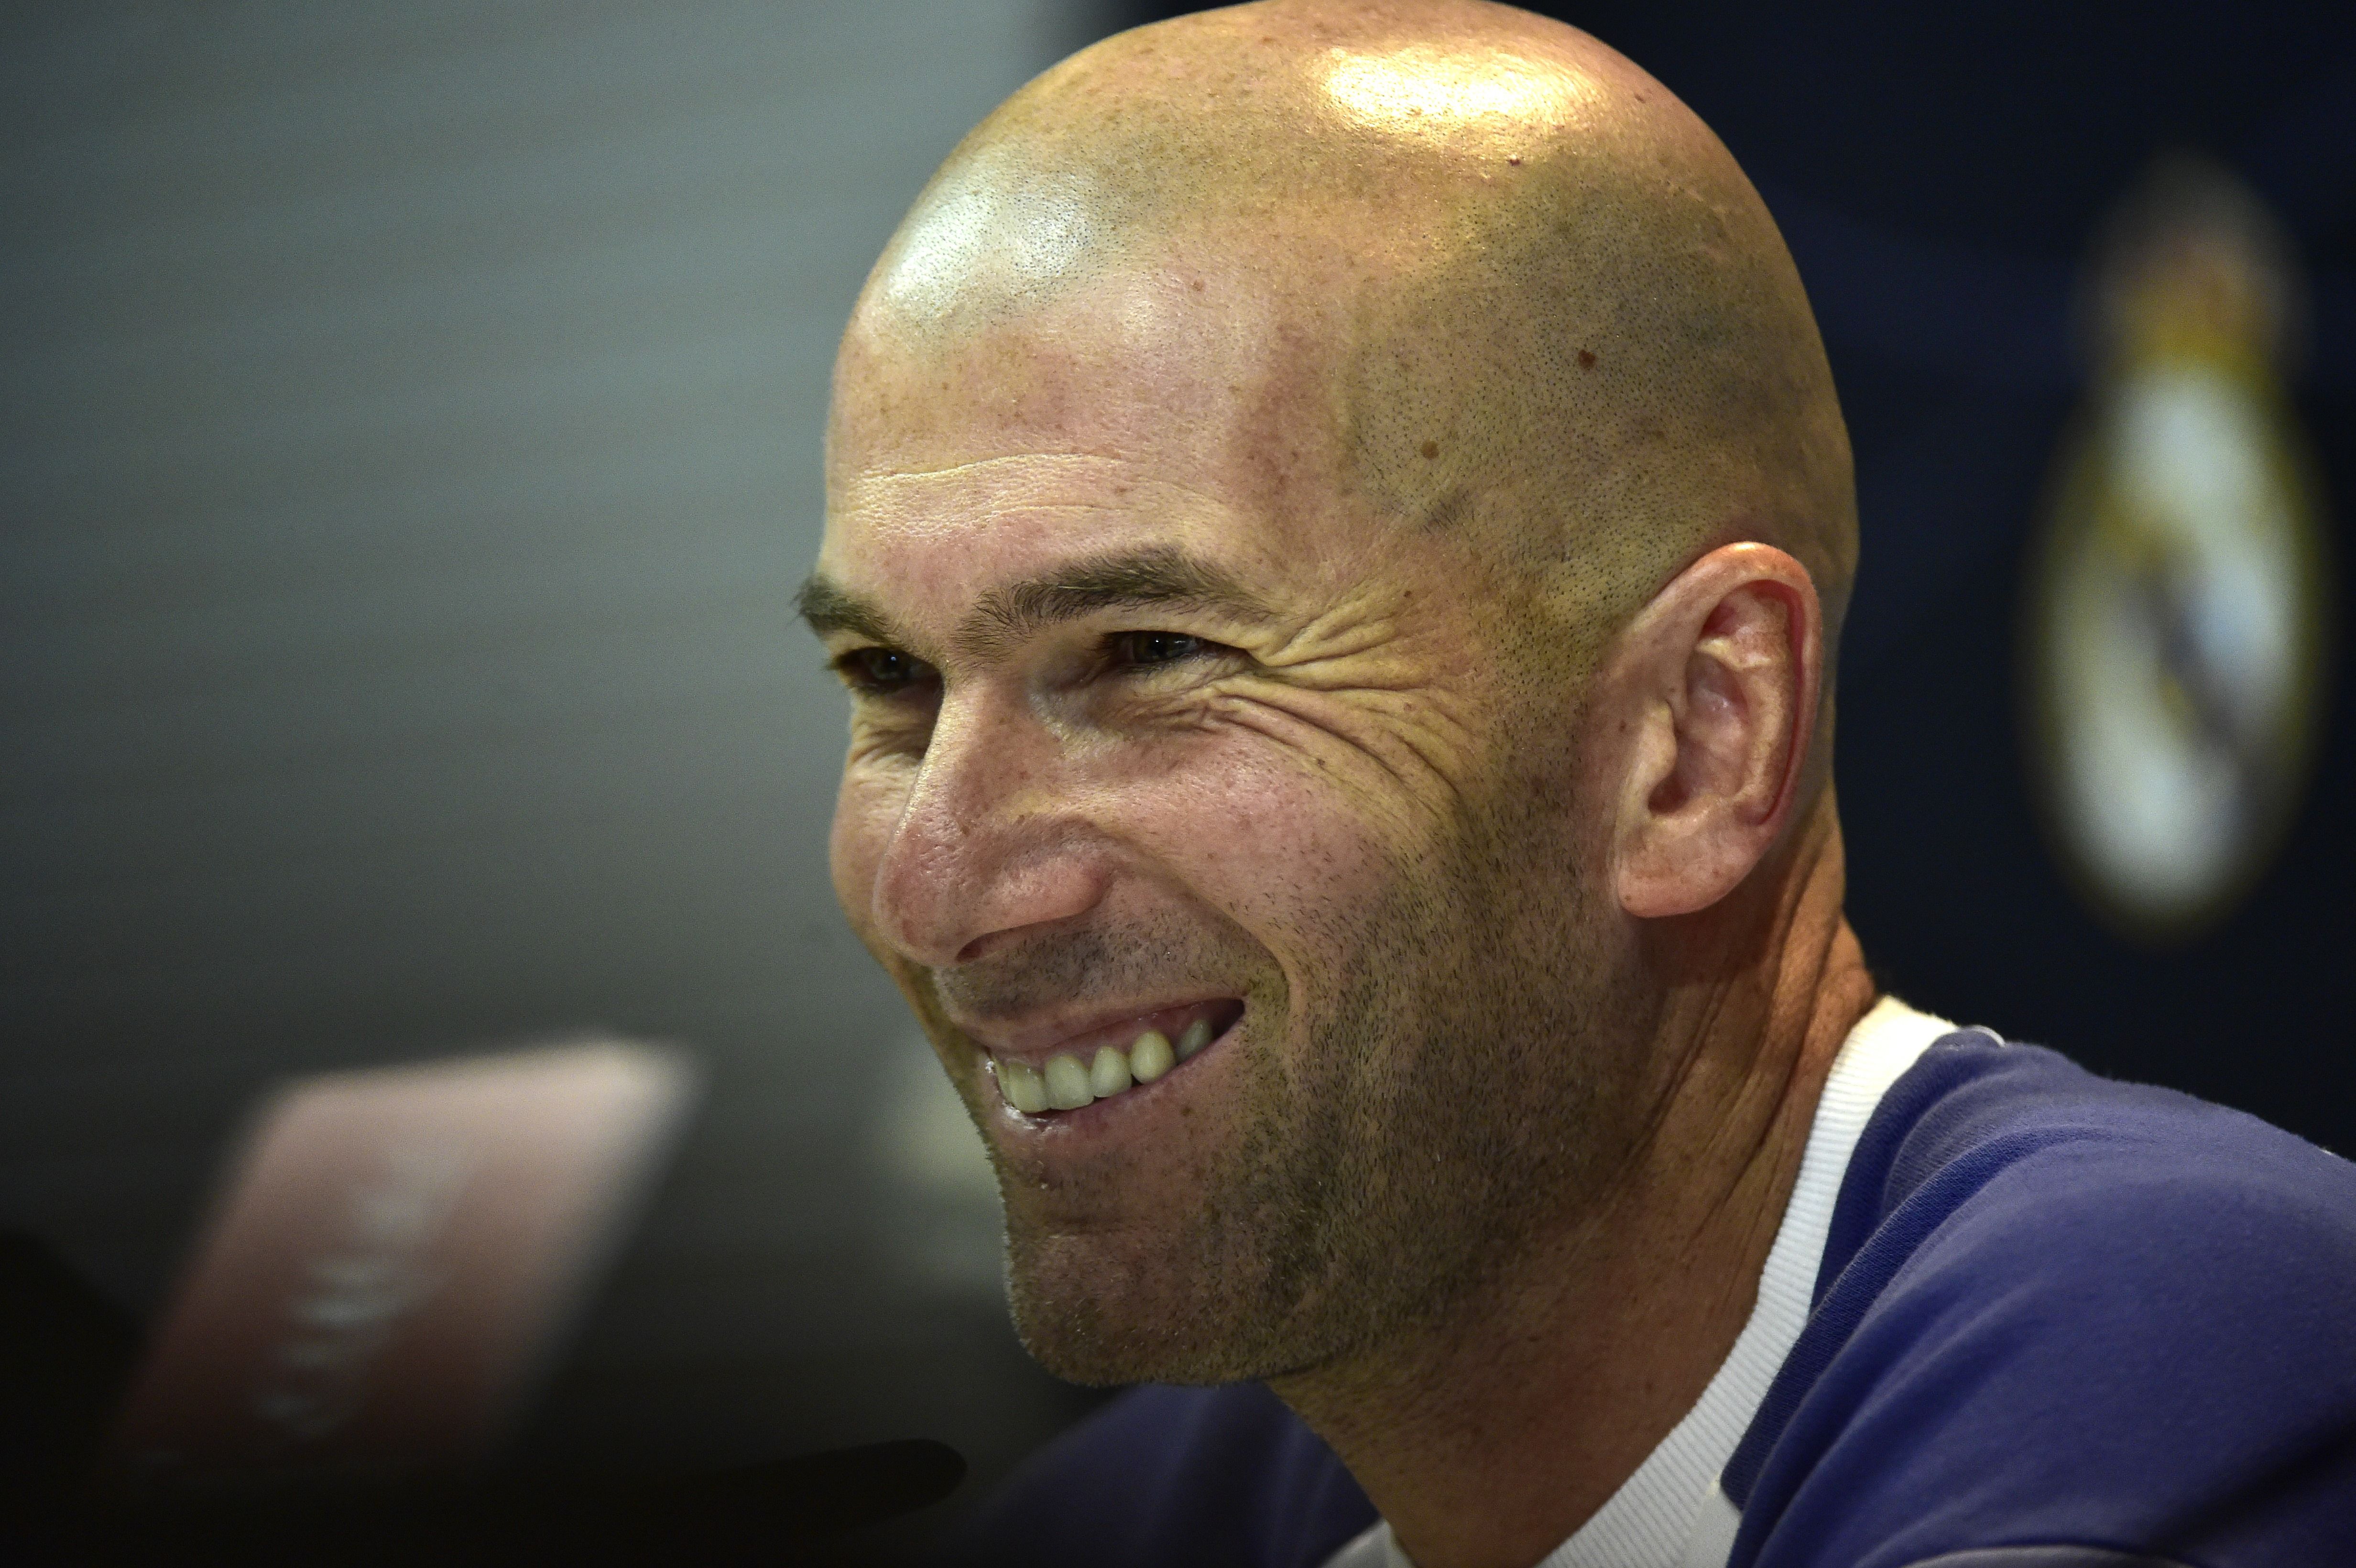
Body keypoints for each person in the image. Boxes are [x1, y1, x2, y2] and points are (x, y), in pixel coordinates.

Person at [796, 3, 2356, 1564]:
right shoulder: (1139, 1516)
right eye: (890, 682)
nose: (935, 891)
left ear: (1695, 741)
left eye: (1148, 655)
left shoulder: (2186, 1359)